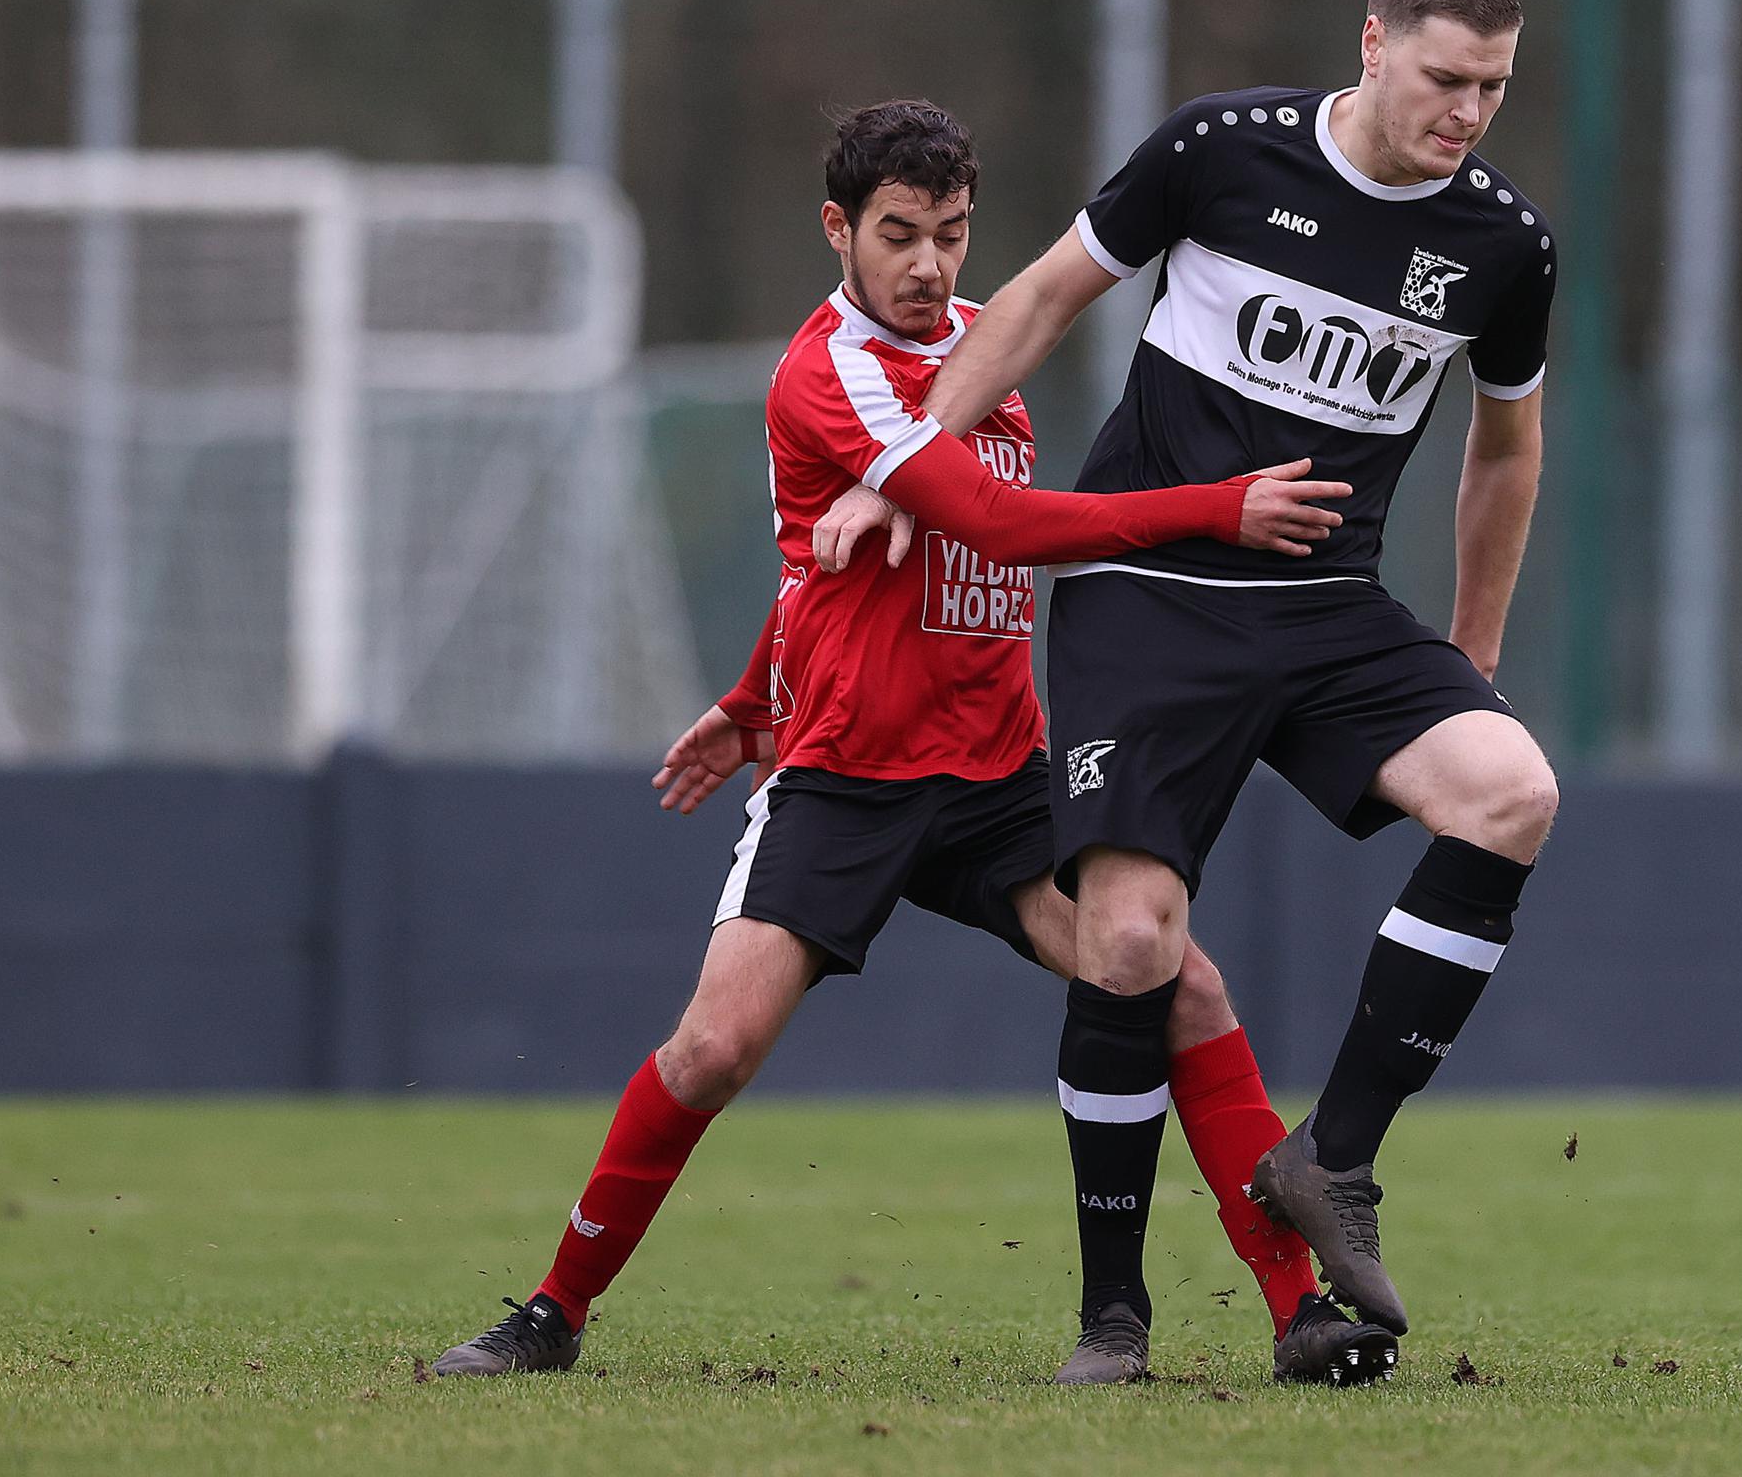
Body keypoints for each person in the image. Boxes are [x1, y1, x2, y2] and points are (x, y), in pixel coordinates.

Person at [433, 99, 1400, 1388]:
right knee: (713, 1049)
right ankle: (552, 1312)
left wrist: (744, 693)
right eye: (900, 234)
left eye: (950, 233)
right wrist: (1219, 509)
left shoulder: (978, 356)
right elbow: (993, 527)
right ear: (837, 230)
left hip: (998, 776)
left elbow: (850, 570)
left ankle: (1298, 1313)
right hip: (846, 783)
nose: (931, 264)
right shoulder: (824, 370)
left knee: (1177, 981)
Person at [820, 0, 1560, 1381]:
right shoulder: (1223, 151)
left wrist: (1471, 654)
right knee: (1134, 943)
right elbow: (1034, 300)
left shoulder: (1502, 244)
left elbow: (1505, 448)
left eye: (1492, 87)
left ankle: (1329, 1164)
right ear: (1370, 43)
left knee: (1510, 791)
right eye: (1442, 78)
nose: (1465, 113)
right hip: (1147, 595)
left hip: (1330, 607)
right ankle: (1112, 1315)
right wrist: (905, 464)